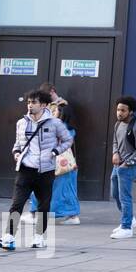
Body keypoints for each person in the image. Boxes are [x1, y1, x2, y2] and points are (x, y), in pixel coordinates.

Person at [0, 90, 74, 252]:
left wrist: (55, 152)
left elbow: (68, 140)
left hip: (45, 170)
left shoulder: (54, 123)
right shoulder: (21, 123)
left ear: (43, 105)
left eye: (34, 102)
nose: (30, 105)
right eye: (28, 102)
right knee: (17, 203)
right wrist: (16, 153)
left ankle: (39, 238)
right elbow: (18, 144)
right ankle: (9, 237)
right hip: (25, 169)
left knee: (43, 206)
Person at [26, 82, 79, 225]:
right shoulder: (54, 108)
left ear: (52, 91)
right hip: (54, 154)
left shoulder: (63, 108)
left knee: (60, 184)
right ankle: (36, 213)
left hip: (57, 154)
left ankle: (70, 215)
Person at [109, 96, 136, 240]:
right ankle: (130, 219)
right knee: (115, 194)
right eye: (118, 109)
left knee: (125, 196)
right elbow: (115, 141)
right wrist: (115, 153)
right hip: (117, 165)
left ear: (130, 112)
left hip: (128, 166)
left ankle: (126, 227)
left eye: (123, 110)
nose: (119, 113)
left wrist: (127, 163)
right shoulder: (117, 124)